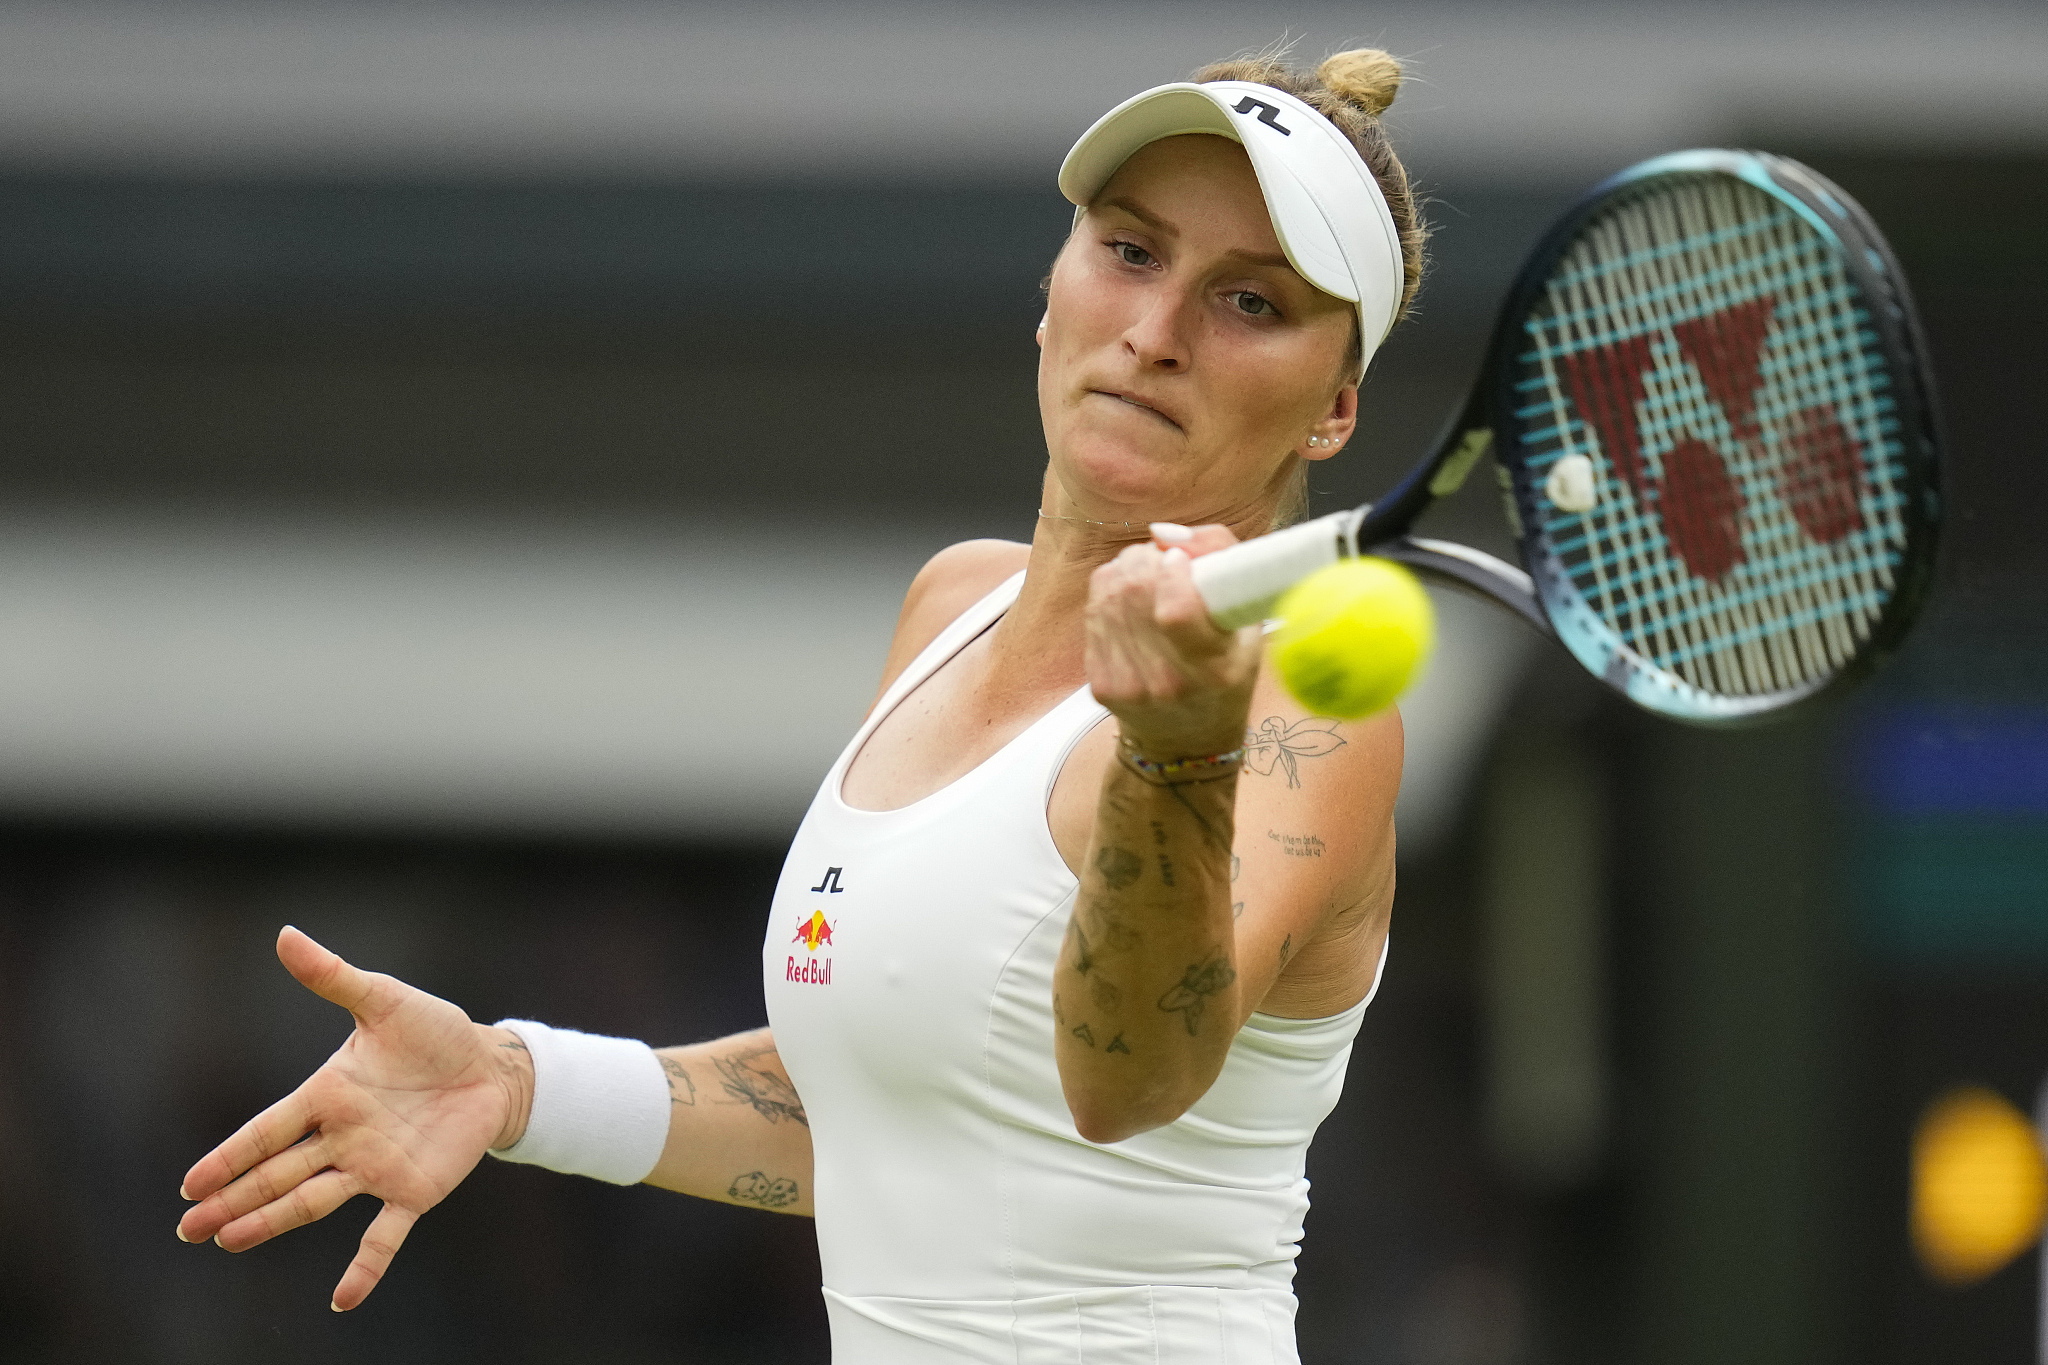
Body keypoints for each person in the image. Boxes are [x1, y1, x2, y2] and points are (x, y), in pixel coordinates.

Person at [174, 46, 1428, 1364]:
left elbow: (1128, 1080)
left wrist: (1174, 757)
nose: (1157, 331)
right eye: (1129, 251)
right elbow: (904, 1110)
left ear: (1332, 407)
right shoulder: (954, 604)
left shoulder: (1304, 701)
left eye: (1247, 300)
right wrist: (523, 1081)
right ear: (1047, 294)